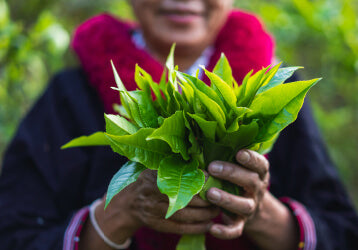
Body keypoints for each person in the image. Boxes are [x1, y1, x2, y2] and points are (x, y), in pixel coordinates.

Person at [0, 0, 357, 249]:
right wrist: (120, 213)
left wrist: (259, 211)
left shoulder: (271, 91)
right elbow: (15, 233)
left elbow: (340, 233)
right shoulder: (70, 96)